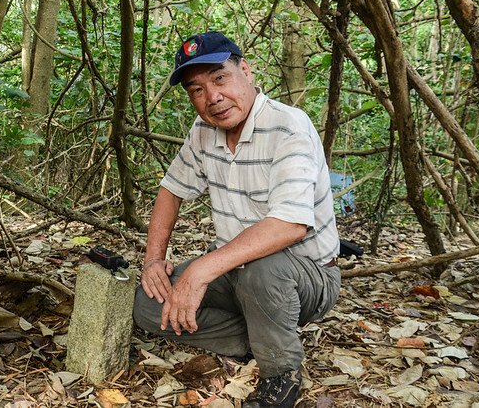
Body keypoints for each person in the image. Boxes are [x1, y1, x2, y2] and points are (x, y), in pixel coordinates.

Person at [133, 31, 341, 408]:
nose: (212, 97)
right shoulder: (204, 132)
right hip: (235, 270)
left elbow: (289, 225)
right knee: (149, 303)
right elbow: (170, 191)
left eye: (219, 78)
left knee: (265, 268)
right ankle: (253, 337)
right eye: (197, 89)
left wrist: (199, 272)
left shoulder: (288, 126)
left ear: (245, 71)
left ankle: (281, 372)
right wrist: (153, 260)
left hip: (305, 276)